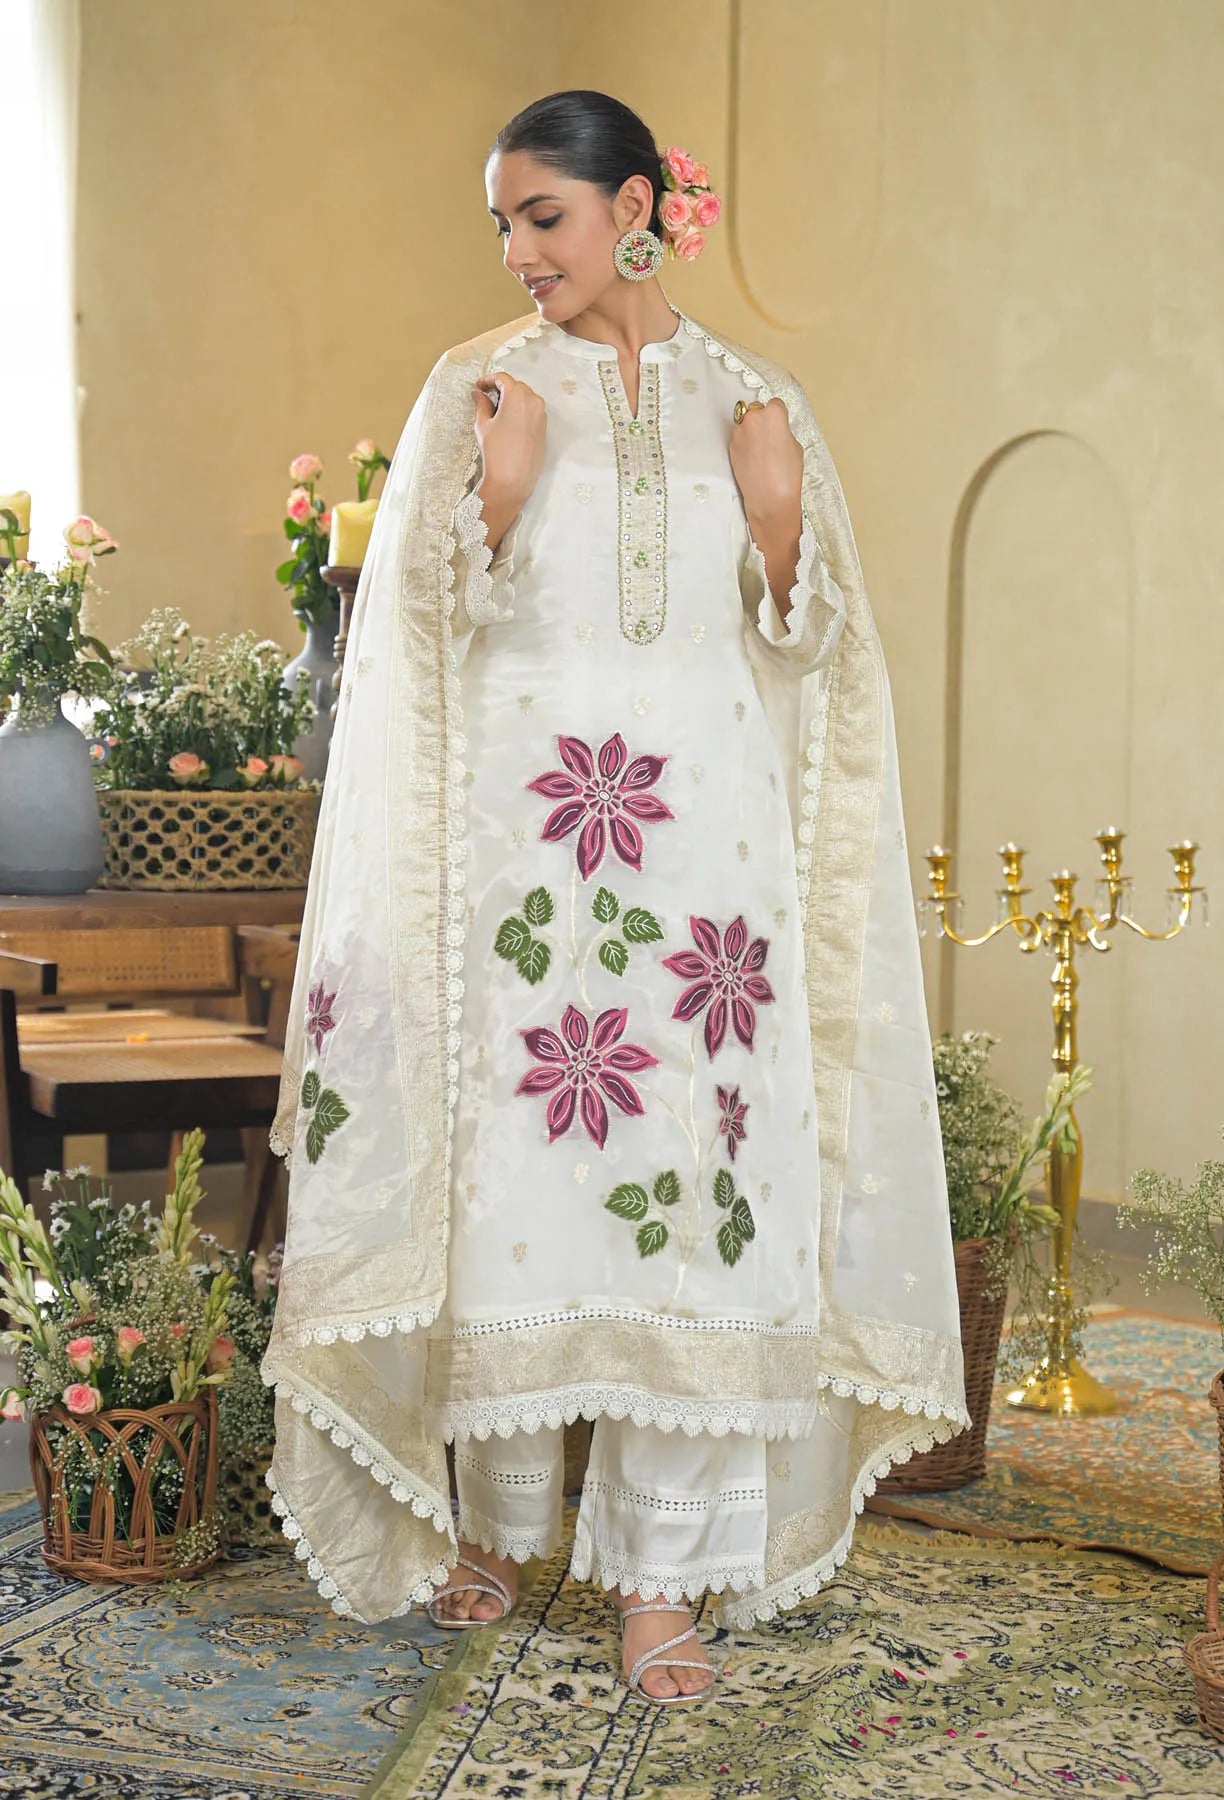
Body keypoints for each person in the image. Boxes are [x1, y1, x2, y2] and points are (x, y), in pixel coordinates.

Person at [260, 89, 967, 1707]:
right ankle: (492, 1524)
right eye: (502, 223)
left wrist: (779, 516)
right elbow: (419, 645)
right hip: (528, 876)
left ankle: (659, 1582)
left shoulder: (756, 398)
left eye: (546, 218)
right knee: (520, 1193)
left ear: (637, 204)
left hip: (710, 890)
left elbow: (816, 665)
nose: (519, 252)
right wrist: (495, 491)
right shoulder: (474, 387)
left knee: (692, 1214)